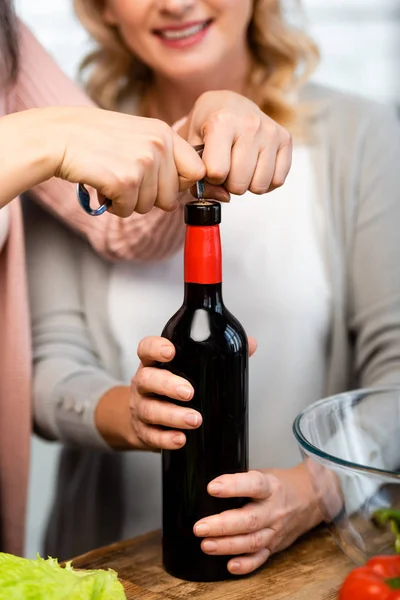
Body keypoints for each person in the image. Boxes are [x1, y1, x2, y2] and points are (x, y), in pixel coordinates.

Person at [27, 0, 400, 575]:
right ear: (103, 7)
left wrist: (316, 491)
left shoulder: (362, 136)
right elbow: (47, 371)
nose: (175, 3)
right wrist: (131, 412)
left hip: (300, 566)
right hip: (122, 570)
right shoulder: (78, 148)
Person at [0, 0, 290, 556]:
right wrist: (33, 139)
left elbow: (121, 226)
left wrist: (188, 143)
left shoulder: (5, 36)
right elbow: (55, 142)